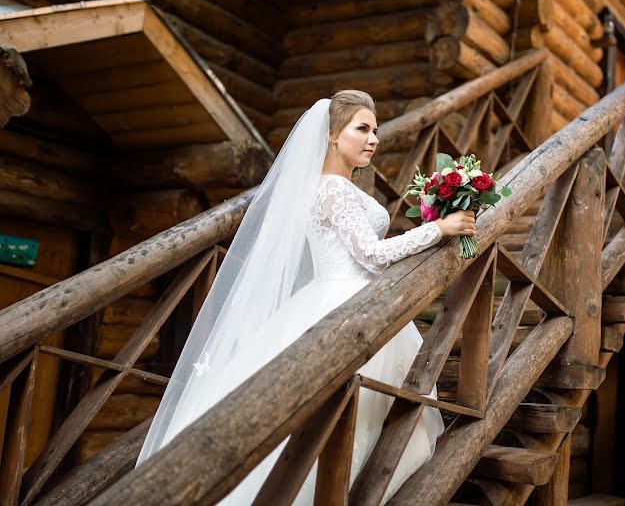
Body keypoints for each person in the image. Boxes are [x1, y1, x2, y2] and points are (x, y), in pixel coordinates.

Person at [136, 90, 477, 503]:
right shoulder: (332, 189)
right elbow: (371, 254)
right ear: (332, 134)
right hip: (342, 307)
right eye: (362, 129)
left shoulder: (338, 188)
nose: (373, 139)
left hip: (357, 301)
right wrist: (438, 230)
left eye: (376, 132)